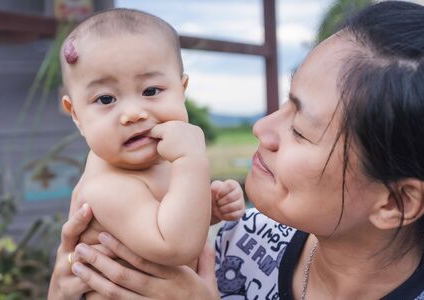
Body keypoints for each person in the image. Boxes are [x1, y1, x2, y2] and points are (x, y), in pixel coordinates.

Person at [49, 1, 424, 299]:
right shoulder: (244, 240)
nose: (262, 128)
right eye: (286, 102)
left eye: (299, 130)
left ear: (396, 202)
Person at [49, 8, 245, 300]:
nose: (132, 113)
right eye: (106, 99)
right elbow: (175, 245)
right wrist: (192, 162)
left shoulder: (151, 163)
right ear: (76, 114)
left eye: (151, 91)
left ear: (182, 90)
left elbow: (169, 220)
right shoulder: (105, 188)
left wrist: (208, 210)